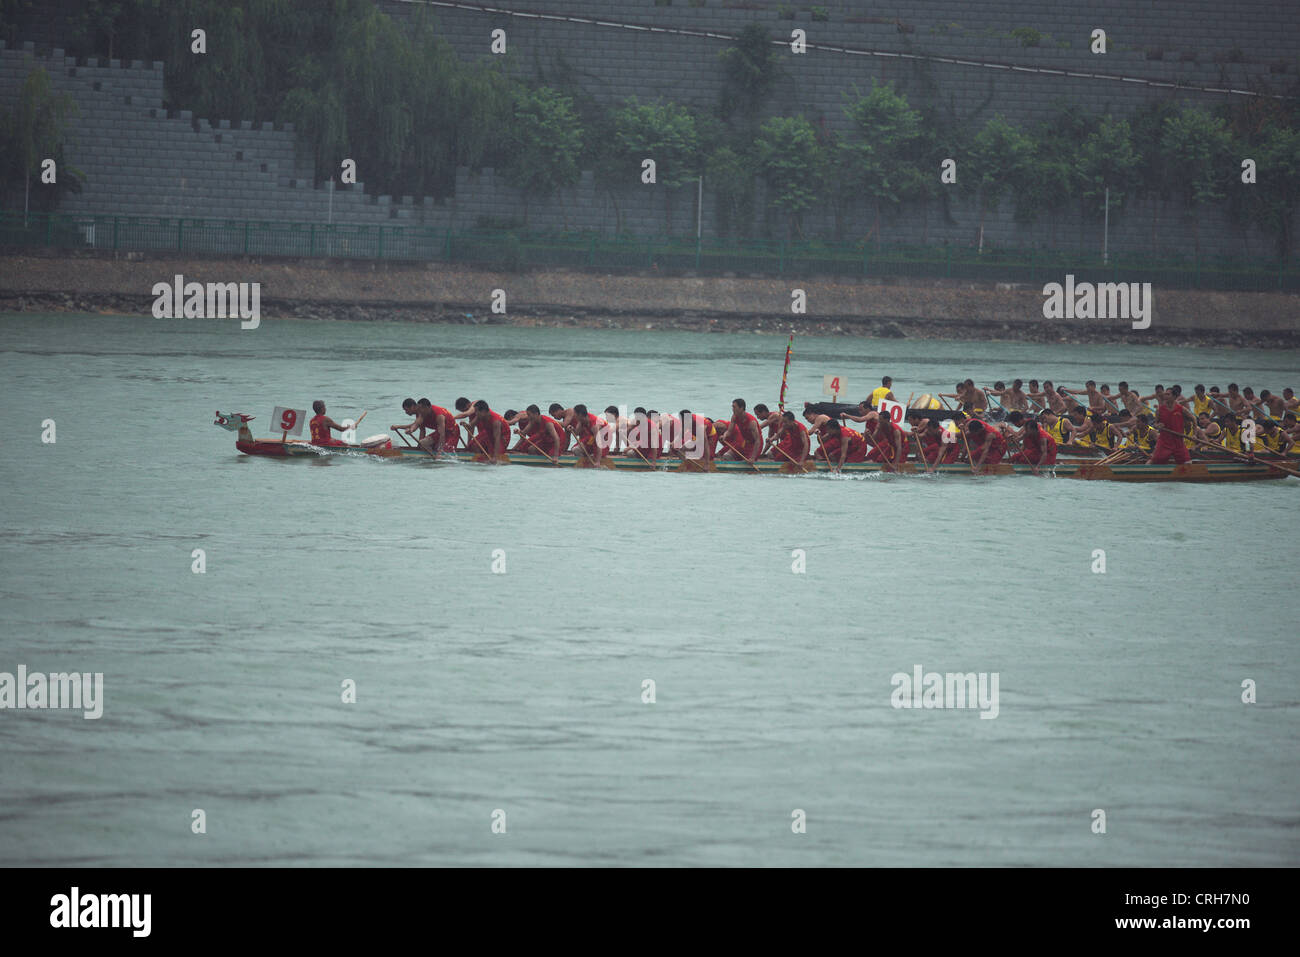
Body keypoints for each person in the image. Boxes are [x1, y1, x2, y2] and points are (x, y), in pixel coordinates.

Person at [1148, 391, 1191, 465]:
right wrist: (1158, 426)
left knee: (1187, 463)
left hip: (1178, 441)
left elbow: (1193, 419)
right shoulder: (1159, 410)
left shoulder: (1181, 409)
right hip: (1165, 441)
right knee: (1155, 460)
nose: (1165, 396)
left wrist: (1194, 434)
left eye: (1168, 394)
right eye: (1165, 394)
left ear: (1174, 397)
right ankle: (1146, 472)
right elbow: (1155, 424)